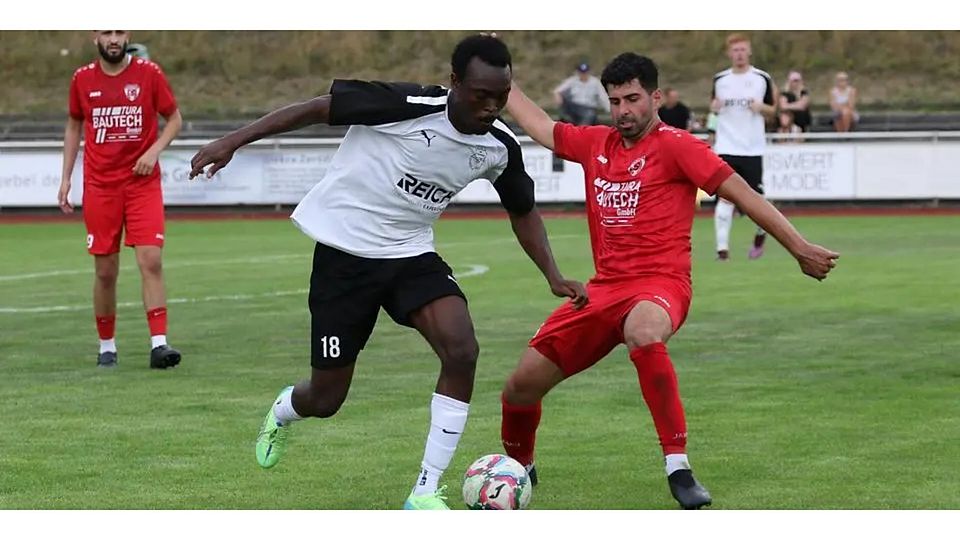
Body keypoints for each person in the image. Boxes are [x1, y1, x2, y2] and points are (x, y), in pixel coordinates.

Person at [188, 34, 587, 510]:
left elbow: (523, 210)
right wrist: (232, 141)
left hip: (409, 255)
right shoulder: (406, 104)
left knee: (462, 349)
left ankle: (424, 491)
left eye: (501, 97)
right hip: (344, 253)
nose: (491, 107)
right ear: (455, 82)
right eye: (481, 95)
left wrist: (552, 274)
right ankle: (284, 410)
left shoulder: (499, 146)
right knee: (327, 397)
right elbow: (317, 108)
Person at [499, 52, 839, 510]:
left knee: (643, 332)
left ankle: (678, 466)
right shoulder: (594, 143)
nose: (623, 110)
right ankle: (519, 469)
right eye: (615, 100)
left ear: (655, 97)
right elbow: (539, 125)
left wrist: (799, 247)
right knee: (520, 386)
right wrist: (500, 74)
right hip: (602, 291)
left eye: (633, 99)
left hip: (661, 285)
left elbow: (744, 193)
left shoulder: (679, 146)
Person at [58, 30, 183, 369]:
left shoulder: (149, 73)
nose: (114, 38)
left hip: (142, 184)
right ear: (94, 37)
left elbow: (174, 118)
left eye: (120, 31)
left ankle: (159, 345)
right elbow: (73, 125)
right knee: (105, 271)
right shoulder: (82, 79)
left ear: (128, 35)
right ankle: (106, 346)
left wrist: (154, 151)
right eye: (107, 32)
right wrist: (66, 177)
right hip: (101, 187)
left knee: (151, 260)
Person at [710, 33, 777, 261]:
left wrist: (762, 107)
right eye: (735, 50)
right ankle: (722, 251)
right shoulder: (720, 80)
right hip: (726, 146)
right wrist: (714, 110)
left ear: (749, 52)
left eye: (742, 50)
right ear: (729, 53)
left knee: (756, 202)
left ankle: (760, 238)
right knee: (725, 198)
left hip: (752, 148)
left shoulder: (761, 78)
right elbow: (713, 111)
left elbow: (774, 110)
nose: (739, 54)